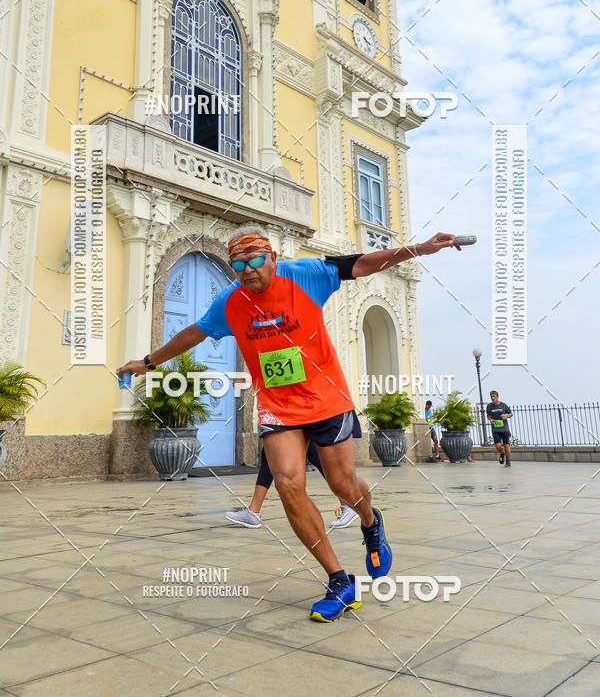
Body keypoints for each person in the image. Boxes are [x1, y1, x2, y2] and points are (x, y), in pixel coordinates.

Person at [118, 226, 460, 621]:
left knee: (343, 486)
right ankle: (339, 580)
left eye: (255, 261)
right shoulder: (231, 302)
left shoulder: (305, 274)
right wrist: (146, 363)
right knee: (287, 483)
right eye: (238, 264)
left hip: (327, 397)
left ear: (273, 259)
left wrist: (420, 249)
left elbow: (362, 265)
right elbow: (194, 332)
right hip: (278, 407)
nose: (247, 270)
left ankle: (370, 520)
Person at [225, 441, 359, 529]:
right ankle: (253, 511)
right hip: (287, 411)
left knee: (316, 455)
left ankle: (348, 504)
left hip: (298, 411)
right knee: (270, 452)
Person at [486, 390, 513, 467]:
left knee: (506, 445)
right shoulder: (489, 406)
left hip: (504, 429)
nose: (492, 398)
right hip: (495, 429)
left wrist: (506, 416)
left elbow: (511, 413)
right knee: (498, 446)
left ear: (497, 397)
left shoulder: (503, 405)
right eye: (491, 396)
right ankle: (502, 453)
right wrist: (490, 419)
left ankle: (508, 461)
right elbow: (488, 415)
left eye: (494, 396)